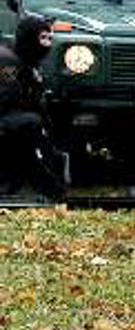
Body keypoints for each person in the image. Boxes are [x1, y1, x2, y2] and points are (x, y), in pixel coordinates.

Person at [0, 15, 68, 199]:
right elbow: (6, 99)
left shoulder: (25, 61)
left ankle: (48, 188)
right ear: (29, 38)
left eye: (50, 39)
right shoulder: (8, 62)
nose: (47, 44)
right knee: (29, 125)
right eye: (43, 38)